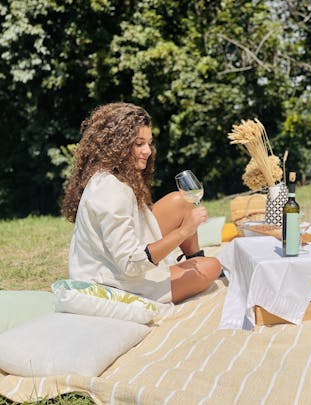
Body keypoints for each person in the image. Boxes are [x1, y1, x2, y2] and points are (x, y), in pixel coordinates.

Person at [61, 102, 222, 304]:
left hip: (115, 262)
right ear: (115, 145)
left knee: (180, 201)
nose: (147, 151)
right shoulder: (110, 191)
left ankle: (193, 259)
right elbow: (129, 264)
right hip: (113, 284)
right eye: (139, 144)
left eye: (149, 143)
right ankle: (195, 264)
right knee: (212, 266)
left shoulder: (110, 176)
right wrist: (183, 231)